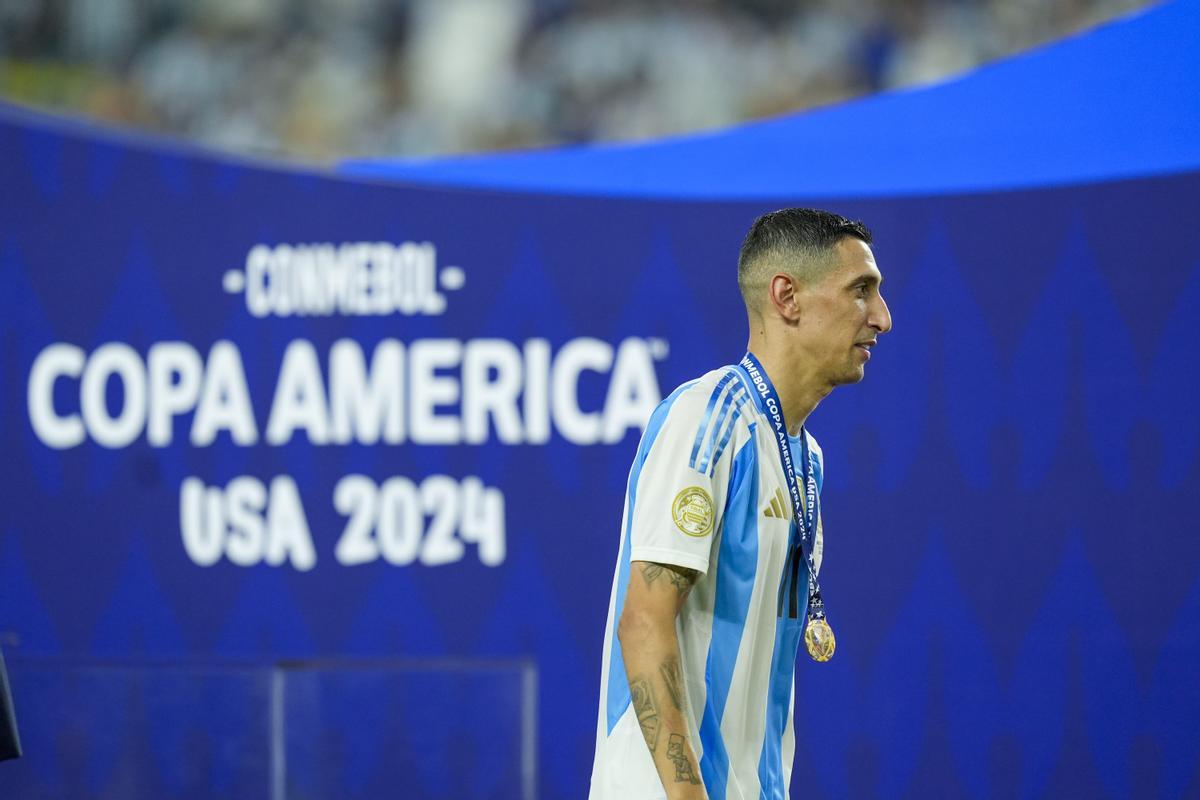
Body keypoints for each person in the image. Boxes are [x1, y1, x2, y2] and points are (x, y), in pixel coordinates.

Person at [589, 208, 892, 799]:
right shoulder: (708, 418)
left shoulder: (808, 461)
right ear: (787, 297)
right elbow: (644, 622)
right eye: (862, 291)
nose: (882, 317)